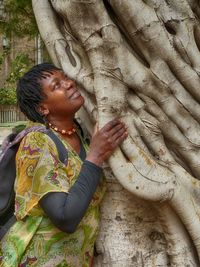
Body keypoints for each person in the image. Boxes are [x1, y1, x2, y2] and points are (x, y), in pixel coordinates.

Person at [0, 63, 128, 267]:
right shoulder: (37, 142)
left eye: (66, 78)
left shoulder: (84, 138)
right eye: (57, 85)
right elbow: (65, 217)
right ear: (43, 108)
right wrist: (95, 156)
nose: (69, 84)